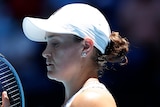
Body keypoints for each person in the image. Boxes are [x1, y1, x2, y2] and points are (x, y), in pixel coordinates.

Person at [1, 3, 129, 107]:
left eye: (55, 43)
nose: (45, 53)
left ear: (86, 46)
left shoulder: (91, 99)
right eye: (47, 43)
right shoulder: (81, 99)